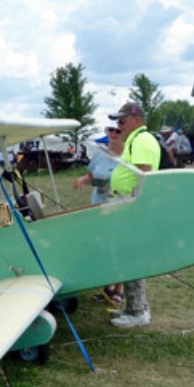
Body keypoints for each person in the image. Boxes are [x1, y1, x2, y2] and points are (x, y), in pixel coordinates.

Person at [107, 102, 161, 328]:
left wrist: (133, 205)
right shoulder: (136, 139)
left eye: (122, 121)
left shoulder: (141, 140)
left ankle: (137, 311)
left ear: (136, 119)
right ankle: (133, 308)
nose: (119, 126)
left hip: (130, 203)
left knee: (132, 257)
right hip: (125, 201)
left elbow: (144, 174)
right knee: (129, 256)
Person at [73, 126, 126, 304]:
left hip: (119, 206)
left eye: (118, 131)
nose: (113, 134)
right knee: (102, 246)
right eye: (110, 130)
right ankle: (107, 286)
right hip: (98, 205)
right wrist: (83, 179)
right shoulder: (100, 154)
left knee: (118, 246)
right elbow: (92, 176)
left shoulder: (129, 157)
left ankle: (120, 288)